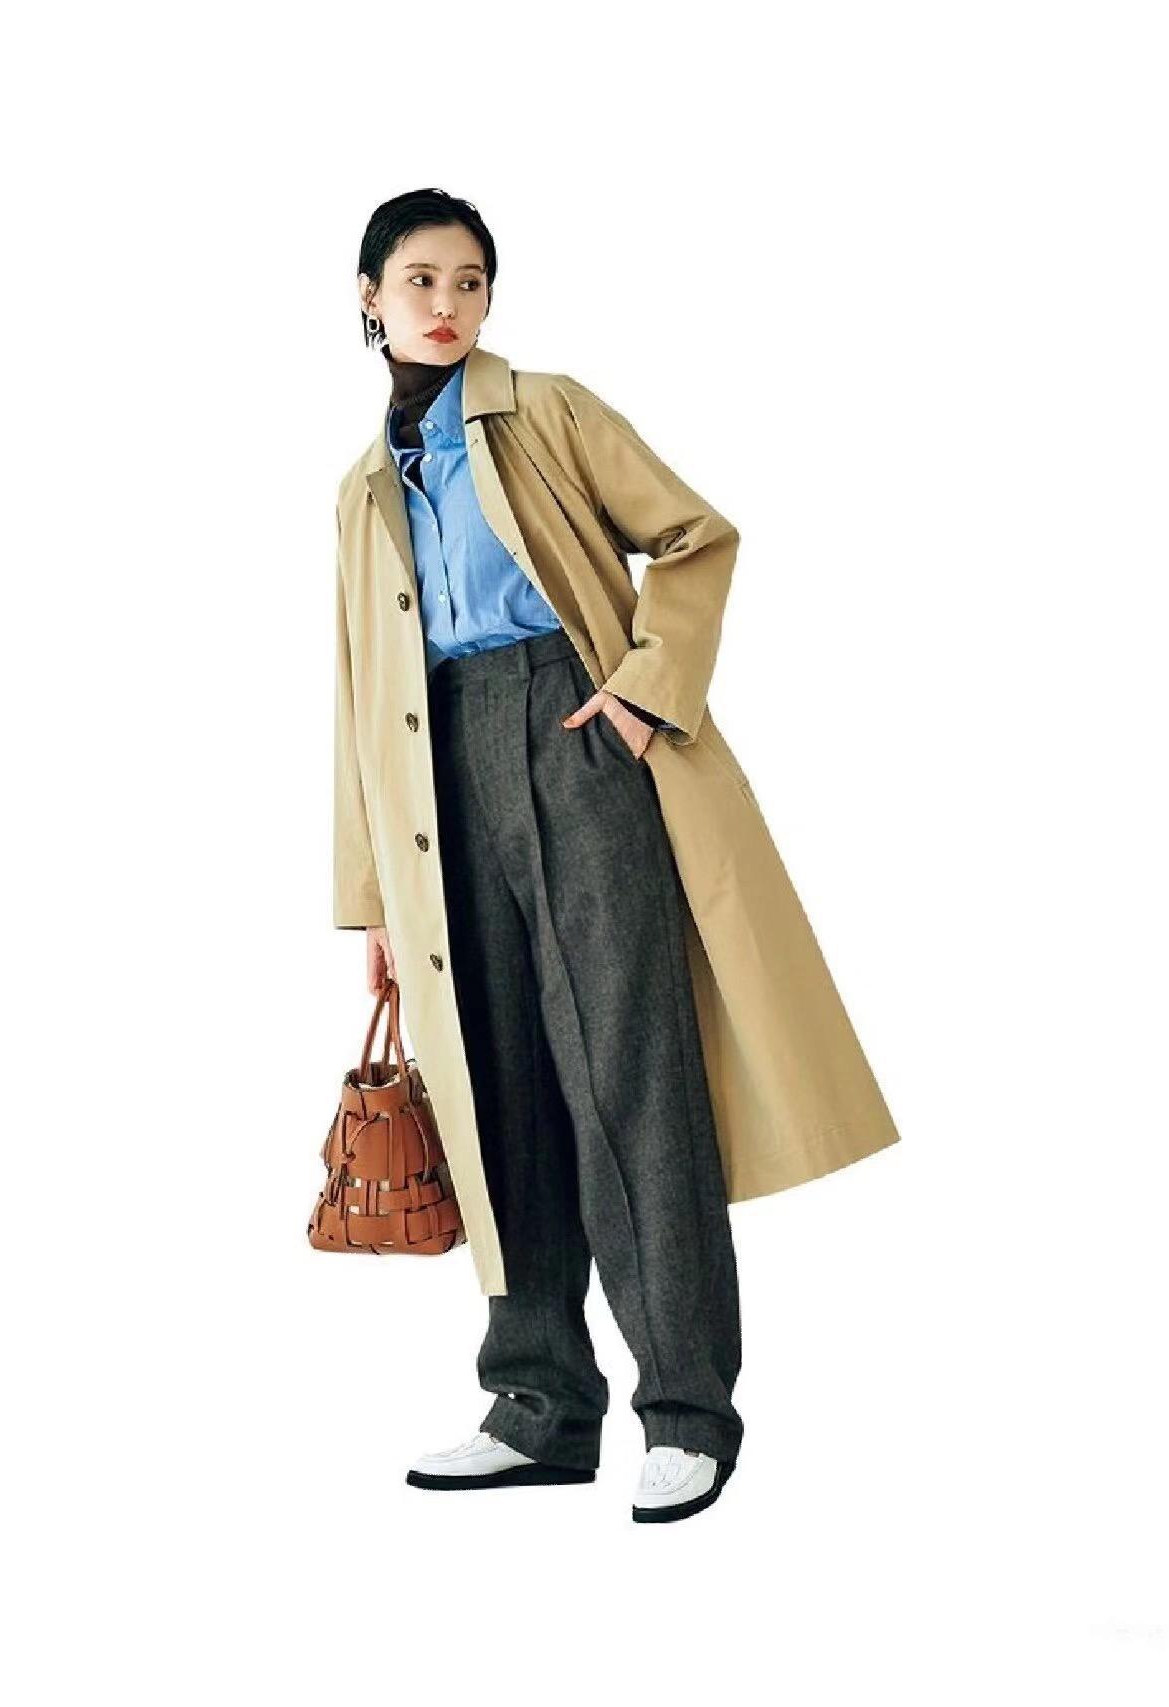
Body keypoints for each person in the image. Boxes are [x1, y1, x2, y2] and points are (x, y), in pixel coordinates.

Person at [344, 186, 744, 1524]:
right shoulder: (360, 490)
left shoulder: (549, 411)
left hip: (572, 734)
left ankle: (685, 1412)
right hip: (434, 774)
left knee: (628, 1070)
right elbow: (355, 697)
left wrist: (640, 691)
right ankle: (539, 1407)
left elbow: (693, 536)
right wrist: (375, 898)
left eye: (468, 281)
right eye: (420, 280)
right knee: (494, 1086)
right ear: (369, 300)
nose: (446, 303)